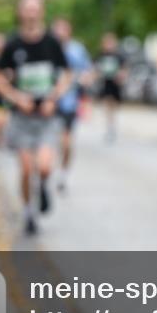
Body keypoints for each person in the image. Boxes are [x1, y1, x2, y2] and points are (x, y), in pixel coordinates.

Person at [0, 0, 71, 235]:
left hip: (46, 117)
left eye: (36, 8)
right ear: (20, 12)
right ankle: (28, 212)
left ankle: (43, 186)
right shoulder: (13, 44)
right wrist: (16, 97)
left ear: (42, 11)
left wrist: (53, 97)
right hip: (22, 118)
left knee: (44, 167)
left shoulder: (52, 42)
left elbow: (67, 74)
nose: (32, 12)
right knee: (26, 169)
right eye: (27, 8)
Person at [52, 18, 92, 191]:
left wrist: (84, 79)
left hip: (69, 102)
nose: (60, 32)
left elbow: (88, 71)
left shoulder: (77, 50)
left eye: (64, 29)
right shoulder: (47, 47)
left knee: (66, 143)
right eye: (57, 29)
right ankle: (46, 172)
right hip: (48, 103)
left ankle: (63, 174)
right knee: (50, 142)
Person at [95, 32, 126, 142]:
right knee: (108, 104)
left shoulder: (118, 56)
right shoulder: (101, 55)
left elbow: (124, 69)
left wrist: (121, 76)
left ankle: (112, 125)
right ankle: (110, 126)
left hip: (115, 84)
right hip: (106, 84)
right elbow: (96, 69)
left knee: (114, 105)